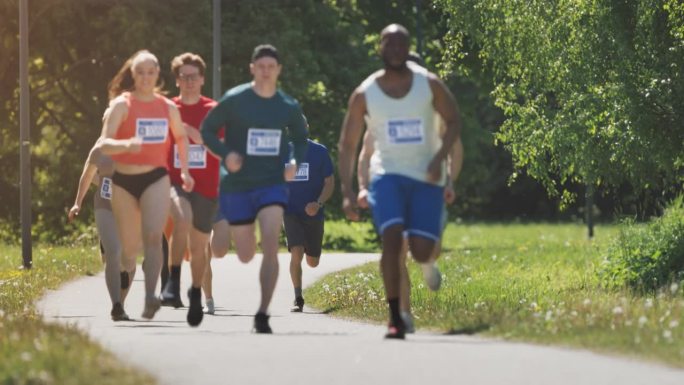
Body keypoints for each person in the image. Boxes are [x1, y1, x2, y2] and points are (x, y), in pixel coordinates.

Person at [338, 24, 462, 339]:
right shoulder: (365, 93)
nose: (395, 49)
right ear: (379, 48)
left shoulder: (429, 84)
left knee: (421, 251)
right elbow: (349, 144)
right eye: (389, 44)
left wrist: (438, 161)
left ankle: (422, 269)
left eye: (401, 44)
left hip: (426, 177)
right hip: (386, 175)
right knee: (392, 240)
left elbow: (454, 120)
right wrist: (349, 190)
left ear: (407, 50)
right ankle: (395, 317)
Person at [201, 44, 308, 333]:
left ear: (278, 70)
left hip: (272, 183)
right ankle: (216, 242)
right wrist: (226, 154)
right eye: (260, 66)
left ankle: (262, 313)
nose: (265, 71)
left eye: (270, 67)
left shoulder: (287, 105)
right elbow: (207, 130)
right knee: (242, 253)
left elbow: (300, 137)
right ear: (252, 68)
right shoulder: (236, 99)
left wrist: (294, 160)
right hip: (237, 185)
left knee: (271, 241)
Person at [99, 50, 194, 320]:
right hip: (125, 181)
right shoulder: (122, 105)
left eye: (150, 72)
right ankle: (123, 284)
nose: (145, 77)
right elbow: (105, 143)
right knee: (129, 251)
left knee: (154, 238)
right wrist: (127, 145)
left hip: (156, 177)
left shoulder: (167, 107)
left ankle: (151, 295)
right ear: (133, 74)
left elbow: (181, 138)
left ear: (157, 75)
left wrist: (185, 170)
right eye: (140, 72)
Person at [357, 118, 463, 333]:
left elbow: (456, 148)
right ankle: (403, 314)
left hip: (430, 189)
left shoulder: (433, 113)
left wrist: (450, 180)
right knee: (397, 250)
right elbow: (366, 154)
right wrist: (363, 186)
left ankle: (427, 262)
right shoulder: (381, 113)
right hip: (393, 190)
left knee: (429, 249)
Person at [159, 52, 221, 327]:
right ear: (176, 81)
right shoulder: (167, 108)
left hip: (207, 186)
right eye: (183, 77)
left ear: (202, 79)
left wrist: (197, 136)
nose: (189, 81)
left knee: (199, 248)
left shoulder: (213, 110)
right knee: (181, 218)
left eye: (193, 76)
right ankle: (172, 281)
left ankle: (196, 293)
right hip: (174, 180)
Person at [68, 135, 129, 321]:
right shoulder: (100, 146)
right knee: (114, 251)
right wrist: (77, 203)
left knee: (127, 260)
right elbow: (88, 175)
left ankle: (121, 303)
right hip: (105, 206)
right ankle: (116, 305)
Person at [283, 137, 334, 312]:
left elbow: (329, 182)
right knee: (296, 252)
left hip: (313, 212)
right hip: (290, 212)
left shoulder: (320, 151)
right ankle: (298, 298)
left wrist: (318, 203)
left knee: (313, 262)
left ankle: (310, 250)